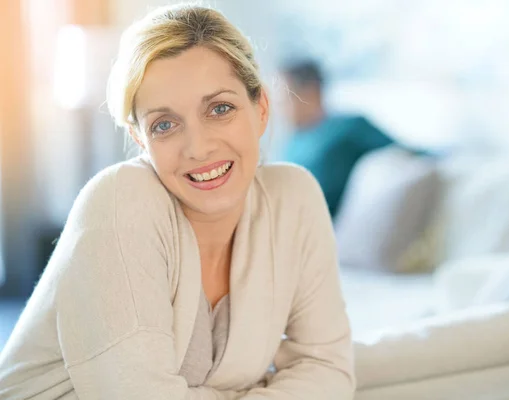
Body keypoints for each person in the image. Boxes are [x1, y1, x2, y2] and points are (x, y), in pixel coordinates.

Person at [0, 4, 355, 399]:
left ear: (261, 109)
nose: (198, 148)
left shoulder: (295, 197)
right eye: (164, 125)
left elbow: (327, 367)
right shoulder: (120, 200)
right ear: (140, 141)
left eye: (220, 109)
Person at [280, 60, 394, 218]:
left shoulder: (349, 128)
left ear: (310, 92)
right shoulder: (293, 140)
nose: (279, 107)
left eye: (285, 98)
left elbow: (404, 152)